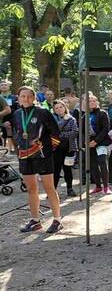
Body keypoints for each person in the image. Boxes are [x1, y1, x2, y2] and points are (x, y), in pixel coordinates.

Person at [11, 86, 63, 233]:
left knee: (49, 188)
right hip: (24, 156)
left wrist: (45, 149)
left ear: (34, 98)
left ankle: (57, 220)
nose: (26, 99)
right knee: (31, 189)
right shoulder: (16, 114)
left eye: (28, 96)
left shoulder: (43, 113)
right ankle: (35, 221)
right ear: (18, 98)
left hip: (42, 156)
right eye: (22, 96)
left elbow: (56, 134)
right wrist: (19, 149)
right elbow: (16, 134)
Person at [79, 93, 112, 195]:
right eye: (89, 101)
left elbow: (105, 128)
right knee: (92, 164)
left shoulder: (102, 113)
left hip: (101, 141)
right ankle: (98, 186)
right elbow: (82, 131)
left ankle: (106, 186)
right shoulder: (85, 116)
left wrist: (96, 141)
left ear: (97, 102)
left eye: (94, 101)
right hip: (89, 142)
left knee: (102, 161)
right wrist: (86, 141)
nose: (92, 102)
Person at [52, 99, 78, 197]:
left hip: (69, 148)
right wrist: (64, 121)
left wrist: (61, 135)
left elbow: (74, 133)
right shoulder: (53, 119)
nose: (59, 109)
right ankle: (53, 190)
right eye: (56, 108)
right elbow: (54, 131)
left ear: (65, 107)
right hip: (56, 148)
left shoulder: (72, 119)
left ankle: (70, 188)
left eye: (61, 107)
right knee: (56, 169)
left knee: (68, 169)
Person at [1, 80, 17, 152]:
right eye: (1, 85)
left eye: (5, 85)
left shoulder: (14, 97)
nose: (3, 86)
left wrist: (11, 121)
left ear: (9, 87)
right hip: (1, 120)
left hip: (13, 120)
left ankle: (13, 149)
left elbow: (17, 110)